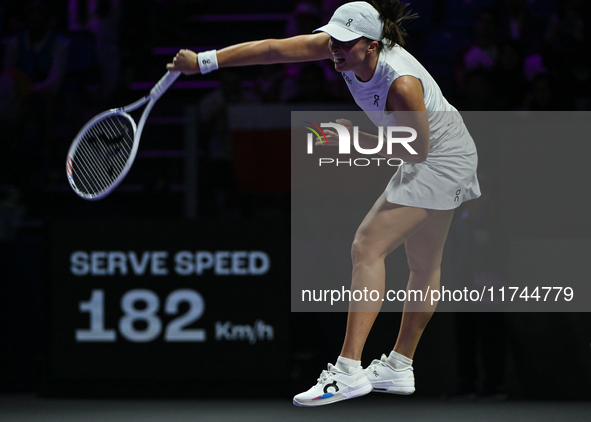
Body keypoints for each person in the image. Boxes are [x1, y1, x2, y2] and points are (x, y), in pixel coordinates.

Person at [167, 0, 481, 407]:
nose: (335, 49)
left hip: (441, 157)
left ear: (372, 45)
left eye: (346, 44)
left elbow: (417, 149)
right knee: (423, 264)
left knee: (367, 246)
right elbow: (272, 49)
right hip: (439, 150)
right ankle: (401, 365)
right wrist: (204, 61)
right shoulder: (339, 47)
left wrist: (355, 141)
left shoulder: (400, 83)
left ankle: (348, 371)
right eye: (333, 39)